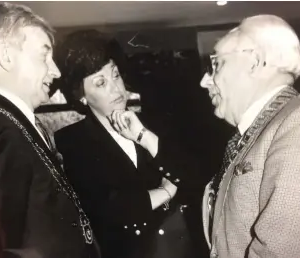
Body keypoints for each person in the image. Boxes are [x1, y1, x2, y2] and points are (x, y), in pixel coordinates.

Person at [0, 3, 98, 258]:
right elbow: (11, 246)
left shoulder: (9, 123)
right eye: (43, 56)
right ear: (6, 55)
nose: (55, 71)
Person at [54, 30, 198, 258]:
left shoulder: (155, 123)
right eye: (101, 83)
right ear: (81, 95)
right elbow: (107, 209)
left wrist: (143, 136)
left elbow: (192, 177)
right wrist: (166, 191)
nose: (116, 89)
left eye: (116, 75)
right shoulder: (71, 140)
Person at [200, 15, 300, 258]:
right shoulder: (263, 129)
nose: (205, 81)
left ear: (254, 62)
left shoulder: (297, 124)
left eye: (217, 65)